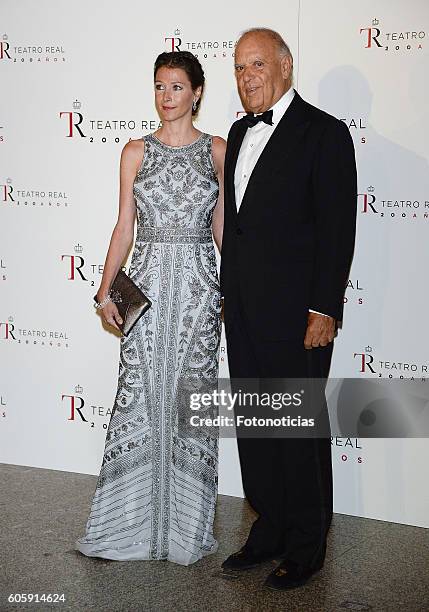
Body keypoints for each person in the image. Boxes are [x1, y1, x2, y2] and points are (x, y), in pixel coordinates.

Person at [75, 50, 226, 566]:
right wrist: (104, 291)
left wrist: (239, 292)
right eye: (160, 87)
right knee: (137, 397)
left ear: (197, 93)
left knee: (192, 402)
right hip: (147, 290)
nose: (167, 97)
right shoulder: (134, 151)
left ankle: (185, 529)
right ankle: (126, 524)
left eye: (177, 87)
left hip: (199, 292)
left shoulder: (218, 151)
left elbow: (223, 229)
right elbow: (124, 227)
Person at [220, 28, 357, 589]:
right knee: (256, 425)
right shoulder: (236, 131)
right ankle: (269, 527)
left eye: (256, 64)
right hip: (245, 310)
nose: (247, 76)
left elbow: (337, 228)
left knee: (296, 428)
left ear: (285, 66)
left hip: (299, 315)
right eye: (238, 68)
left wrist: (324, 307)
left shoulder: (324, 134)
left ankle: (306, 543)